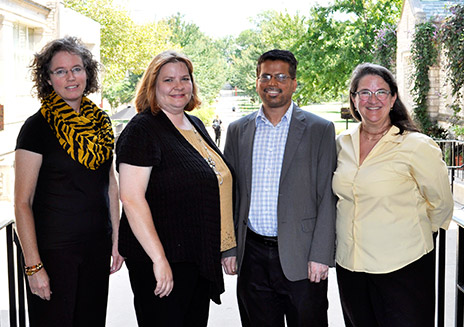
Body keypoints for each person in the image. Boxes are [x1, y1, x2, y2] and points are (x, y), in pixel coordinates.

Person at [116, 50, 236, 327]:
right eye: (168, 80)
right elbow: (131, 199)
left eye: (185, 78)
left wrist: (225, 246)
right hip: (160, 260)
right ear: (152, 86)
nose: (178, 86)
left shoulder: (193, 124)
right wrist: (159, 260)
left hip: (193, 258)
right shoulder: (142, 130)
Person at [332, 62, 454, 327]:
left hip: (403, 267)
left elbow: (442, 204)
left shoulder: (416, 146)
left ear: (393, 97)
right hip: (351, 266)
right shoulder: (342, 143)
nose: (372, 100)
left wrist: (412, 234)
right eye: (364, 92)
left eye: (381, 92)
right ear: (353, 98)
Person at [14, 36, 124, 327]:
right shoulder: (36, 127)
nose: (70, 77)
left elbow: (109, 183)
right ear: (48, 79)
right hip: (53, 254)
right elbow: (22, 203)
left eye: (77, 68)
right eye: (60, 71)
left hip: (96, 249)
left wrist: (116, 239)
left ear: (88, 73)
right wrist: (33, 266)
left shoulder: (101, 123)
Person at [223, 49, 337, 326]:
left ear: (294, 83)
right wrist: (229, 248)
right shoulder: (238, 130)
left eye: (281, 76)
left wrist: (321, 254)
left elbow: (327, 196)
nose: (272, 82)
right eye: (266, 76)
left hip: (303, 257)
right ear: (257, 81)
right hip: (253, 257)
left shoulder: (319, 129)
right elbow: (229, 194)